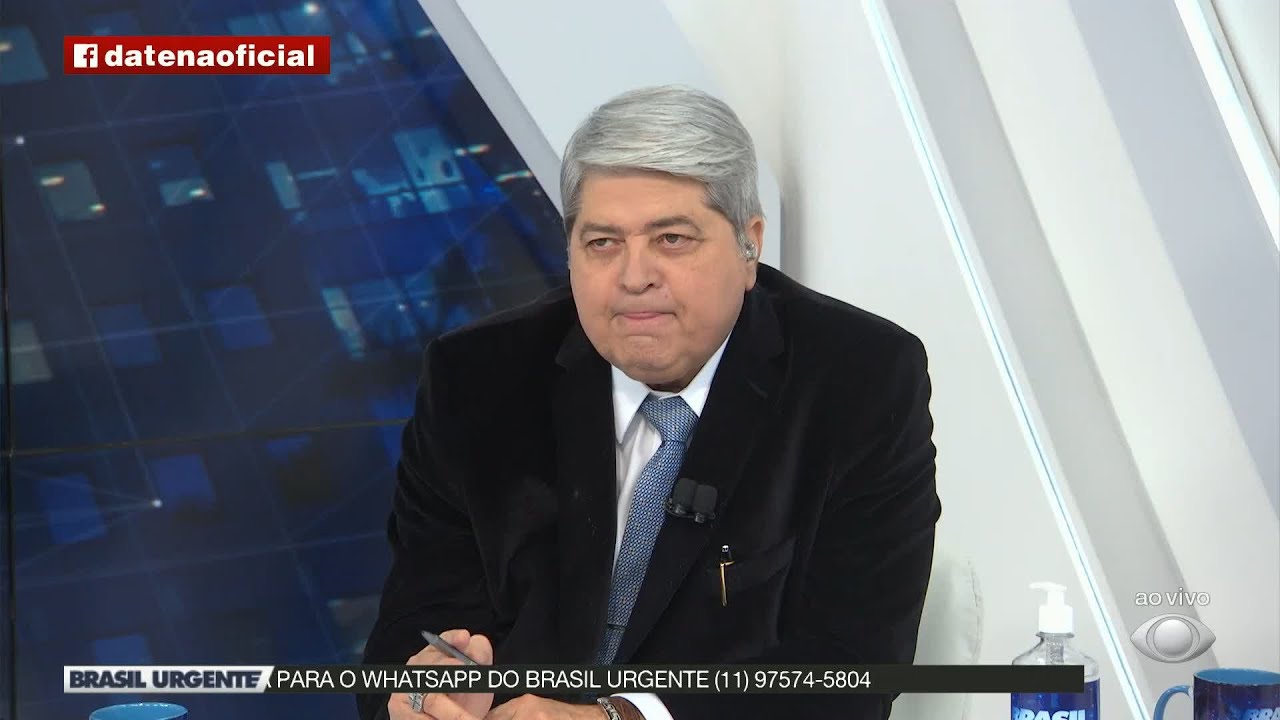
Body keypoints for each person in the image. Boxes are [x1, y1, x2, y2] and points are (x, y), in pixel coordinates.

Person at [359, 84, 941, 720]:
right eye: (603, 243)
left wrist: (623, 716)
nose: (634, 277)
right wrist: (425, 692)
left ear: (749, 246)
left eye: (672, 239)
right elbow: (412, 623)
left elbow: (851, 667)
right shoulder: (476, 380)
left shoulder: (858, 379)